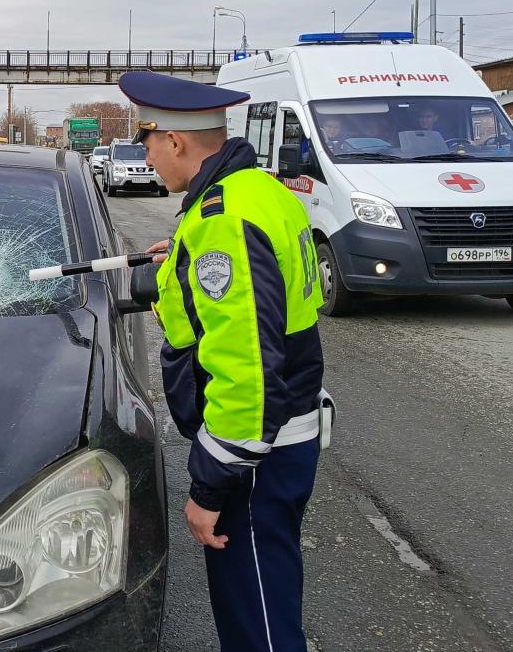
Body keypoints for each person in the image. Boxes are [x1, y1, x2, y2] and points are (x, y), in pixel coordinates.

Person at [119, 70, 328, 652]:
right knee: (271, 599)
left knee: (258, 625)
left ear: (175, 141)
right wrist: (180, 258)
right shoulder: (256, 192)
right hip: (283, 437)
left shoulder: (222, 222)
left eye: (149, 143)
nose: (149, 157)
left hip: (256, 455)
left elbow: (248, 373)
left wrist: (209, 488)